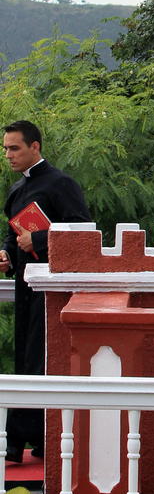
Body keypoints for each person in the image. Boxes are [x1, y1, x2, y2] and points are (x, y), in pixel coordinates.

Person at [0, 120, 91, 463]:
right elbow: (13, 234)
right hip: (24, 288)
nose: (8, 154)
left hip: (51, 290)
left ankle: (31, 441)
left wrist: (37, 239)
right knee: (24, 360)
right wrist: (8, 252)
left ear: (35, 147)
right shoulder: (14, 189)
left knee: (41, 362)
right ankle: (27, 439)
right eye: (6, 148)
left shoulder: (61, 184)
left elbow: (83, 230)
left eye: (15, 148)